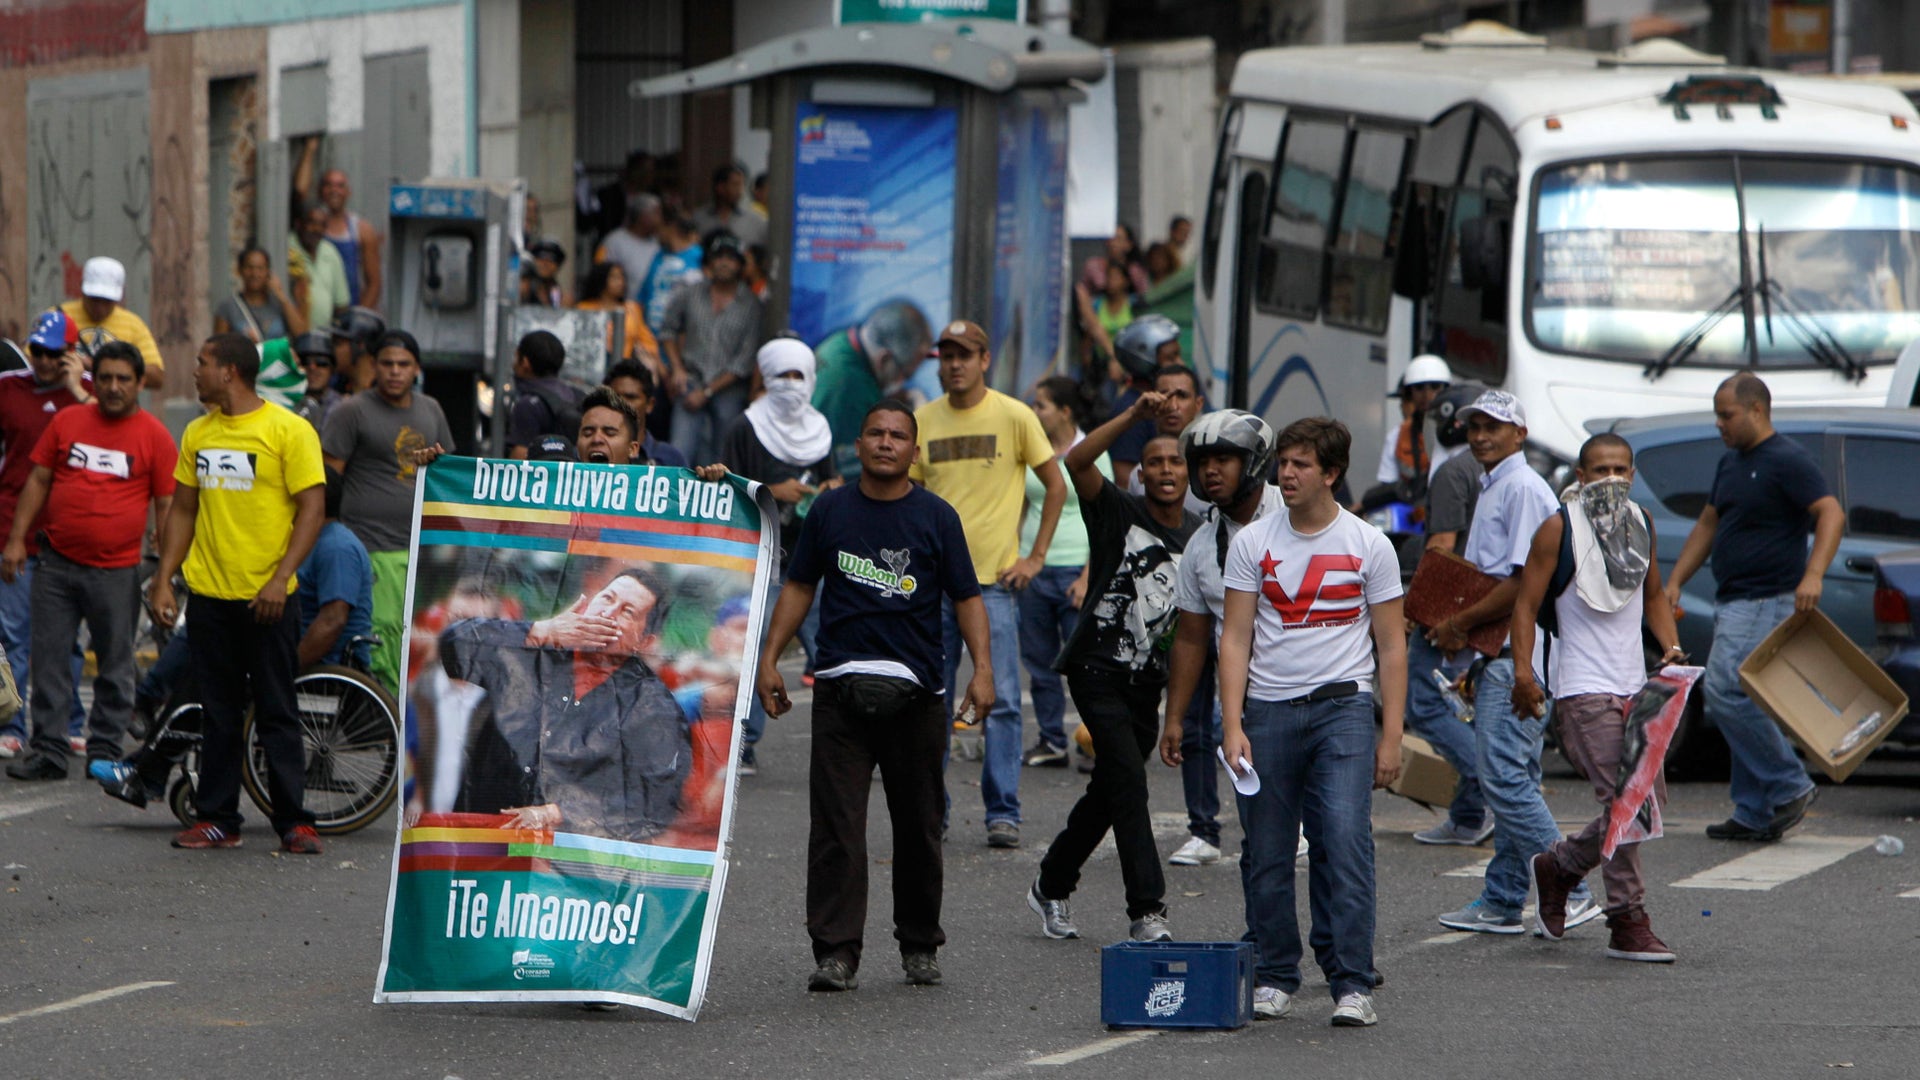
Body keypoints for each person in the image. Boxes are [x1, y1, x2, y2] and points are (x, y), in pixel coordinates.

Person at [756, 399, 993, 992]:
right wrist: (768, 659)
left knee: (919, 828)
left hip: (918, 697)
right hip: (840, 693)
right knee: (836, 829)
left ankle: (920, 945)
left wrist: (983, 671)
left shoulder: (937, 517)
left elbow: (967, 596)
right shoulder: (830, 510)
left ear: (915, 451)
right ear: (857, 445)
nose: (886, 443)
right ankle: (836, 953)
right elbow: (799, 585)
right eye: (876, 433)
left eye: (898, 436)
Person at [1216, 416, 1406, 1028]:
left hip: (1343, 709)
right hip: (1268, 711)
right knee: (1267, 850)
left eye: (1301, 464)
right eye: (1283, 463)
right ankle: (1275, 974)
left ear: (1332, 473)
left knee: (1343, 840)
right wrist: (1232, 724)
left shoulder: (1369, 544)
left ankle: (1351, 982)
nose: (1287, 474)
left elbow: (1392, 647)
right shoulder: (1252, 542)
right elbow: (1235, 637)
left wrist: (1391, 737)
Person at [1028, 389, 1201, 943]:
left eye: (1176, 462)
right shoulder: (1117, 511)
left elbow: (1193, 634)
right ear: (1140, 475)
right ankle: (1147, 910)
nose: (1166, 470)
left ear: (1189, 473)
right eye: (1155, 463)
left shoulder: (1201, 536)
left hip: (1147, 683)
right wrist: (1132, 415)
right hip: (1096, 669)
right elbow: (1077, 461)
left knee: (1111, 788)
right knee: (1128, 781)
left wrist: (1176, 715)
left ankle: (1051, 882)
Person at [148, 333, 327, 854]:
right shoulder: (198, 433)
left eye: (202, 363)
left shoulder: (288, 430)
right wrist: (164, 579)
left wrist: (279, 578)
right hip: (209, 597)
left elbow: (311, 509)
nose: (195, 372)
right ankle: (218, 818)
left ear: (229, 371)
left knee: (277, 711)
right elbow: (184, 509)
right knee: (218, 712)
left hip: (268, 599)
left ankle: (294, 821)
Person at [1512, 433, 1684, 962]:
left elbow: (1654, 596)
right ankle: (1627, 919)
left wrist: (1671, 647)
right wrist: (1523, 674)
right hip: (1583, 689)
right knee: (1624, 802)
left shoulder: (1642, 523)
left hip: (1637, 687)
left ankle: (1560, 866)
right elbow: (1525, 606)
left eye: (1620, 469)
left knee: (1643, 803)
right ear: (1581, 476)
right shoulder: (1558, 528)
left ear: (1632, 475)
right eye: (1600, 470)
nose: (1611, 478)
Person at [1430, 390, 1598, 934]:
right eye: (1475, 426)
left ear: (1520, 434)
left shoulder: (1522, 487)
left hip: (1519, 656)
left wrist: (1459, 624)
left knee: (1503, 778)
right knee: (1513, 776)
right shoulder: (1497, 484)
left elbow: (1524, 583)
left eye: (1494, 427)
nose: (1481, 436)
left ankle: (1571, 886)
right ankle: (1503, 899)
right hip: (1502, 655)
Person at [1664, 372, 1839, 842]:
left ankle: (1789, 784)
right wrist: (1676, 580)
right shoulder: (1731, 463)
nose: (1719, 424)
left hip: (1766, 597)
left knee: (1726, 691)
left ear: (1757, 410)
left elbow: (1831, 513)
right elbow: (1708, 522)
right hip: (1733, 598)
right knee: (1744, 699)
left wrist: (1814, 574)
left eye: (1727, 415)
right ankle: (1755, 810)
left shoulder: (1787, 459)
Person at [911, 319, 1065, 849]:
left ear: (984, 360)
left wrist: (1035, 557)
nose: (955, 364)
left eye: (965, 355)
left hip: (993, 586)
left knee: (1000, 703)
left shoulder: (1014, 415)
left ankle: (1003, 812)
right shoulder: (922, 421)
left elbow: (1056, 485)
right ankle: (933, 810)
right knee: (930, 701)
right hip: (932, 588)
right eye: (947, 355)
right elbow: (910, 500)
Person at [0, 343, 174, 783]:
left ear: (139, 384)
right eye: (106, 378)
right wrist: (16, 540)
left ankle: (105, 750)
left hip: (116, 571)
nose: (113, 387)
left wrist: (164, 577)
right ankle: (49, 750)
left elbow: (168, 506)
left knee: (115, 663)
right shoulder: (68, 421)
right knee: (50, 661)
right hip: (55, 565)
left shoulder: (154, 435)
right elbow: (39, 480)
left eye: (123, 379)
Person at [436, 566, 690, 842]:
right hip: (479, 840)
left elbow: (656, 799)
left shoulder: (652, 705)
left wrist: (559, 811)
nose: (607, 614)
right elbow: (453, 648)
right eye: (607, 598)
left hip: (567, 855)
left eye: (627, 612)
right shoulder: (534, 653)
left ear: (645, 641)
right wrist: (542, 630)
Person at [1159, 409, 1281, 871]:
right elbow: (1191, 639)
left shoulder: (1297, 517)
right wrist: (1173, 717)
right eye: (1203, 461)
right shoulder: (1200, 546)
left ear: (1254, 462)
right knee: (1261, 838)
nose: (1211, 470)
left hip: (1309, 691)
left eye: (1224, 459)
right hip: (1243, 696)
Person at [719, 339, 840, 774]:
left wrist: (830, 490)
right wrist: (772, 493)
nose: (790, 385)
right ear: (766, 378)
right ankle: (744, 742)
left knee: (832, 650)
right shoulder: (745, 427)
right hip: (762, 559)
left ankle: (851, 740)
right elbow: (728, 491)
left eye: (798, 375)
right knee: (754, 648)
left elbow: (831, 479)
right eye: (781, 376)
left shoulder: (820, 430)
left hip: (812, 560)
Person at [322, 329, 455, 693]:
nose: (395, 371)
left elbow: (446, 471)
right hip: (369, 546)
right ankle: (384, 710)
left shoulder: (431, 410)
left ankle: (398, 711)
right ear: (374, 366)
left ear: (417, 369)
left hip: (419, 549)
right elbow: (327, 481)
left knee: (415, 637)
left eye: (403, 364)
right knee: (380, 634)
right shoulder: (351, 411)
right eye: (387, 363)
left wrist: (434, 461)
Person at [1403, 382, 1495, 846]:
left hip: (1452, 608)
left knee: (1424, 702)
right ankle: (1469, 816)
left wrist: (1418, 610)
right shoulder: (1496, 472)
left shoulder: (1451, 473)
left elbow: (1442, 546)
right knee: (1467, 709)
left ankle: (1490, 789)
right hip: (1489, 605)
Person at [0, 310, 91, 760]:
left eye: (55, 354)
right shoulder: (8, 388)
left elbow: (116, 433)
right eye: (38, 351)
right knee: (14, 635)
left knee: (65, 640)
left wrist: (77, 389)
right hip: (14, 531)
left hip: (69, 537)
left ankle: (68, 723)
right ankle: (11, 724)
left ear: (71, 355)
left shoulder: (93, 393)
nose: (44, 361)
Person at [1017, 377, 1107, 770]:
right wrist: (1016, 557)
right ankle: (1051, 740)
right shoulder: (1031, 451)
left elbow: (1106, 518)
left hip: (1075, 570)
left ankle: (1092, 742)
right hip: (1033, 572)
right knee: (1039, 664)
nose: (1035, 412)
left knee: (1085, 666)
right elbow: (1020, 506)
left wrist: (1088, 575)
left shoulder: (1092, 451)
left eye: (1042, 405)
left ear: (1065, 412)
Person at [659, 233, 762, 465]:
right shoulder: (690, 293)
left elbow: (744, 360)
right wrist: (677, 369)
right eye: (719, 257)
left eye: (731, 258)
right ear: (709, 261)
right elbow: (667, 330)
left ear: (740, 265)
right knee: (679, 453)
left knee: (723, 459)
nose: (724, 263)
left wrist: (707, 392)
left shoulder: (751, 304)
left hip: (729, 389)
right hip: (691, 381)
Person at [811, 301, 933, 476]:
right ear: (884, 360)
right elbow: (856, 470)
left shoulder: (842, 344)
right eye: (905, 375)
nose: (903, 383)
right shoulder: (848, 387)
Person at [296, 466, 375, 670]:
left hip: (327, 668)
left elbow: (333, 620)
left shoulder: (337, 547)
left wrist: (284, 671)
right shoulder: (310, 540)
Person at [1356, 354, 1450, 514]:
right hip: (1412, 515)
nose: (1427, 394)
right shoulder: (1397, 436)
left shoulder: (1458, 432)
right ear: (1410, 393)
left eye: (1434, 386)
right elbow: (1388, 484)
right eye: (1419, 388)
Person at [59, 257, 165, 389]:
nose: (100, 308)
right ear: (81, 287)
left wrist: (97, 366)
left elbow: (157, 377)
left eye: (107, 301)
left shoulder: (133, 325)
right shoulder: (59, 316)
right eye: (94, 299)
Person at [506, 330, 585, 457]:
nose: (513, 364)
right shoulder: (578, 396)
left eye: (516, 357)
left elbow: (519, 457)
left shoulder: (528, 405)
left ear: (525, 363)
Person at [603, 360, 688, 467]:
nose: (621, 404)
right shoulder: (592, 451)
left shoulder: (671, 458)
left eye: (631, 397)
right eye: (615, 397)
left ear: (650, 404)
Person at [576, 260, 661, 367]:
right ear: (601, 279)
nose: (620, 282)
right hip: (591, 366)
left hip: (623, 367)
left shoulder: (632, 309)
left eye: (622, 278)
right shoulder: (584, 308)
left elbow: (648, 343)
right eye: (614, 277)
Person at [214, 247, 308, 343]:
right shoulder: (228, 307)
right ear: (240, 270)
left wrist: (281, 296)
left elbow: (301, 334)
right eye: (249, 268)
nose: (255, 274)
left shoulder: (280, 304)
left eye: (260, 268)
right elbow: (219, 347)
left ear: (268, 272)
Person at [289, 203, 351, 333]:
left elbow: (341, 305)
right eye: (311, 223)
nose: (317, 229)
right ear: (298, 224)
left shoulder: (330, 251)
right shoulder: (287, 249)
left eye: (322, 225)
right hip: (291, 334)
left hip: (323, 336)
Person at [639, 214, 704, 330]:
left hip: (680, 331)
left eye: (661, 228)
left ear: (672, 228)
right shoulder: (659, 255)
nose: (657, 233)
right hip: (650, 332)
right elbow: (644, 293)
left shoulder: (699, 256)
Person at [593, 194, 663, 299]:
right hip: (625, 305)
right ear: (643, 216)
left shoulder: (659, 242)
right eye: (656, 214)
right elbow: (599, 275)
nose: (660, 220)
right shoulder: (614, 241)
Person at [692, 163, 768, 249]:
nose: (739, 191)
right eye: (735, 185)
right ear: (720, 187)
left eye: (741, 185)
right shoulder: (699, 218)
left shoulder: (755, 222)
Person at [325, 306, 386, 395]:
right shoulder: (340, 385)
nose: (331, 349)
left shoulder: (386, 389)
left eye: (337, 343)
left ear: (360, 346)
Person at [291, 331, 344, 432]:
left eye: (321, 362)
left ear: (332, 369)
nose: (312, 368)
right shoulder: (284, 402)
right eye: (305, 361)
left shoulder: (343, 408)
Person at [519, 238, 570, 308]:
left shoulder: (558, 296)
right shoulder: (524, 286)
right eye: (541, 258)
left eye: (551, 260)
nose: (545, 264)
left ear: (558, 265)